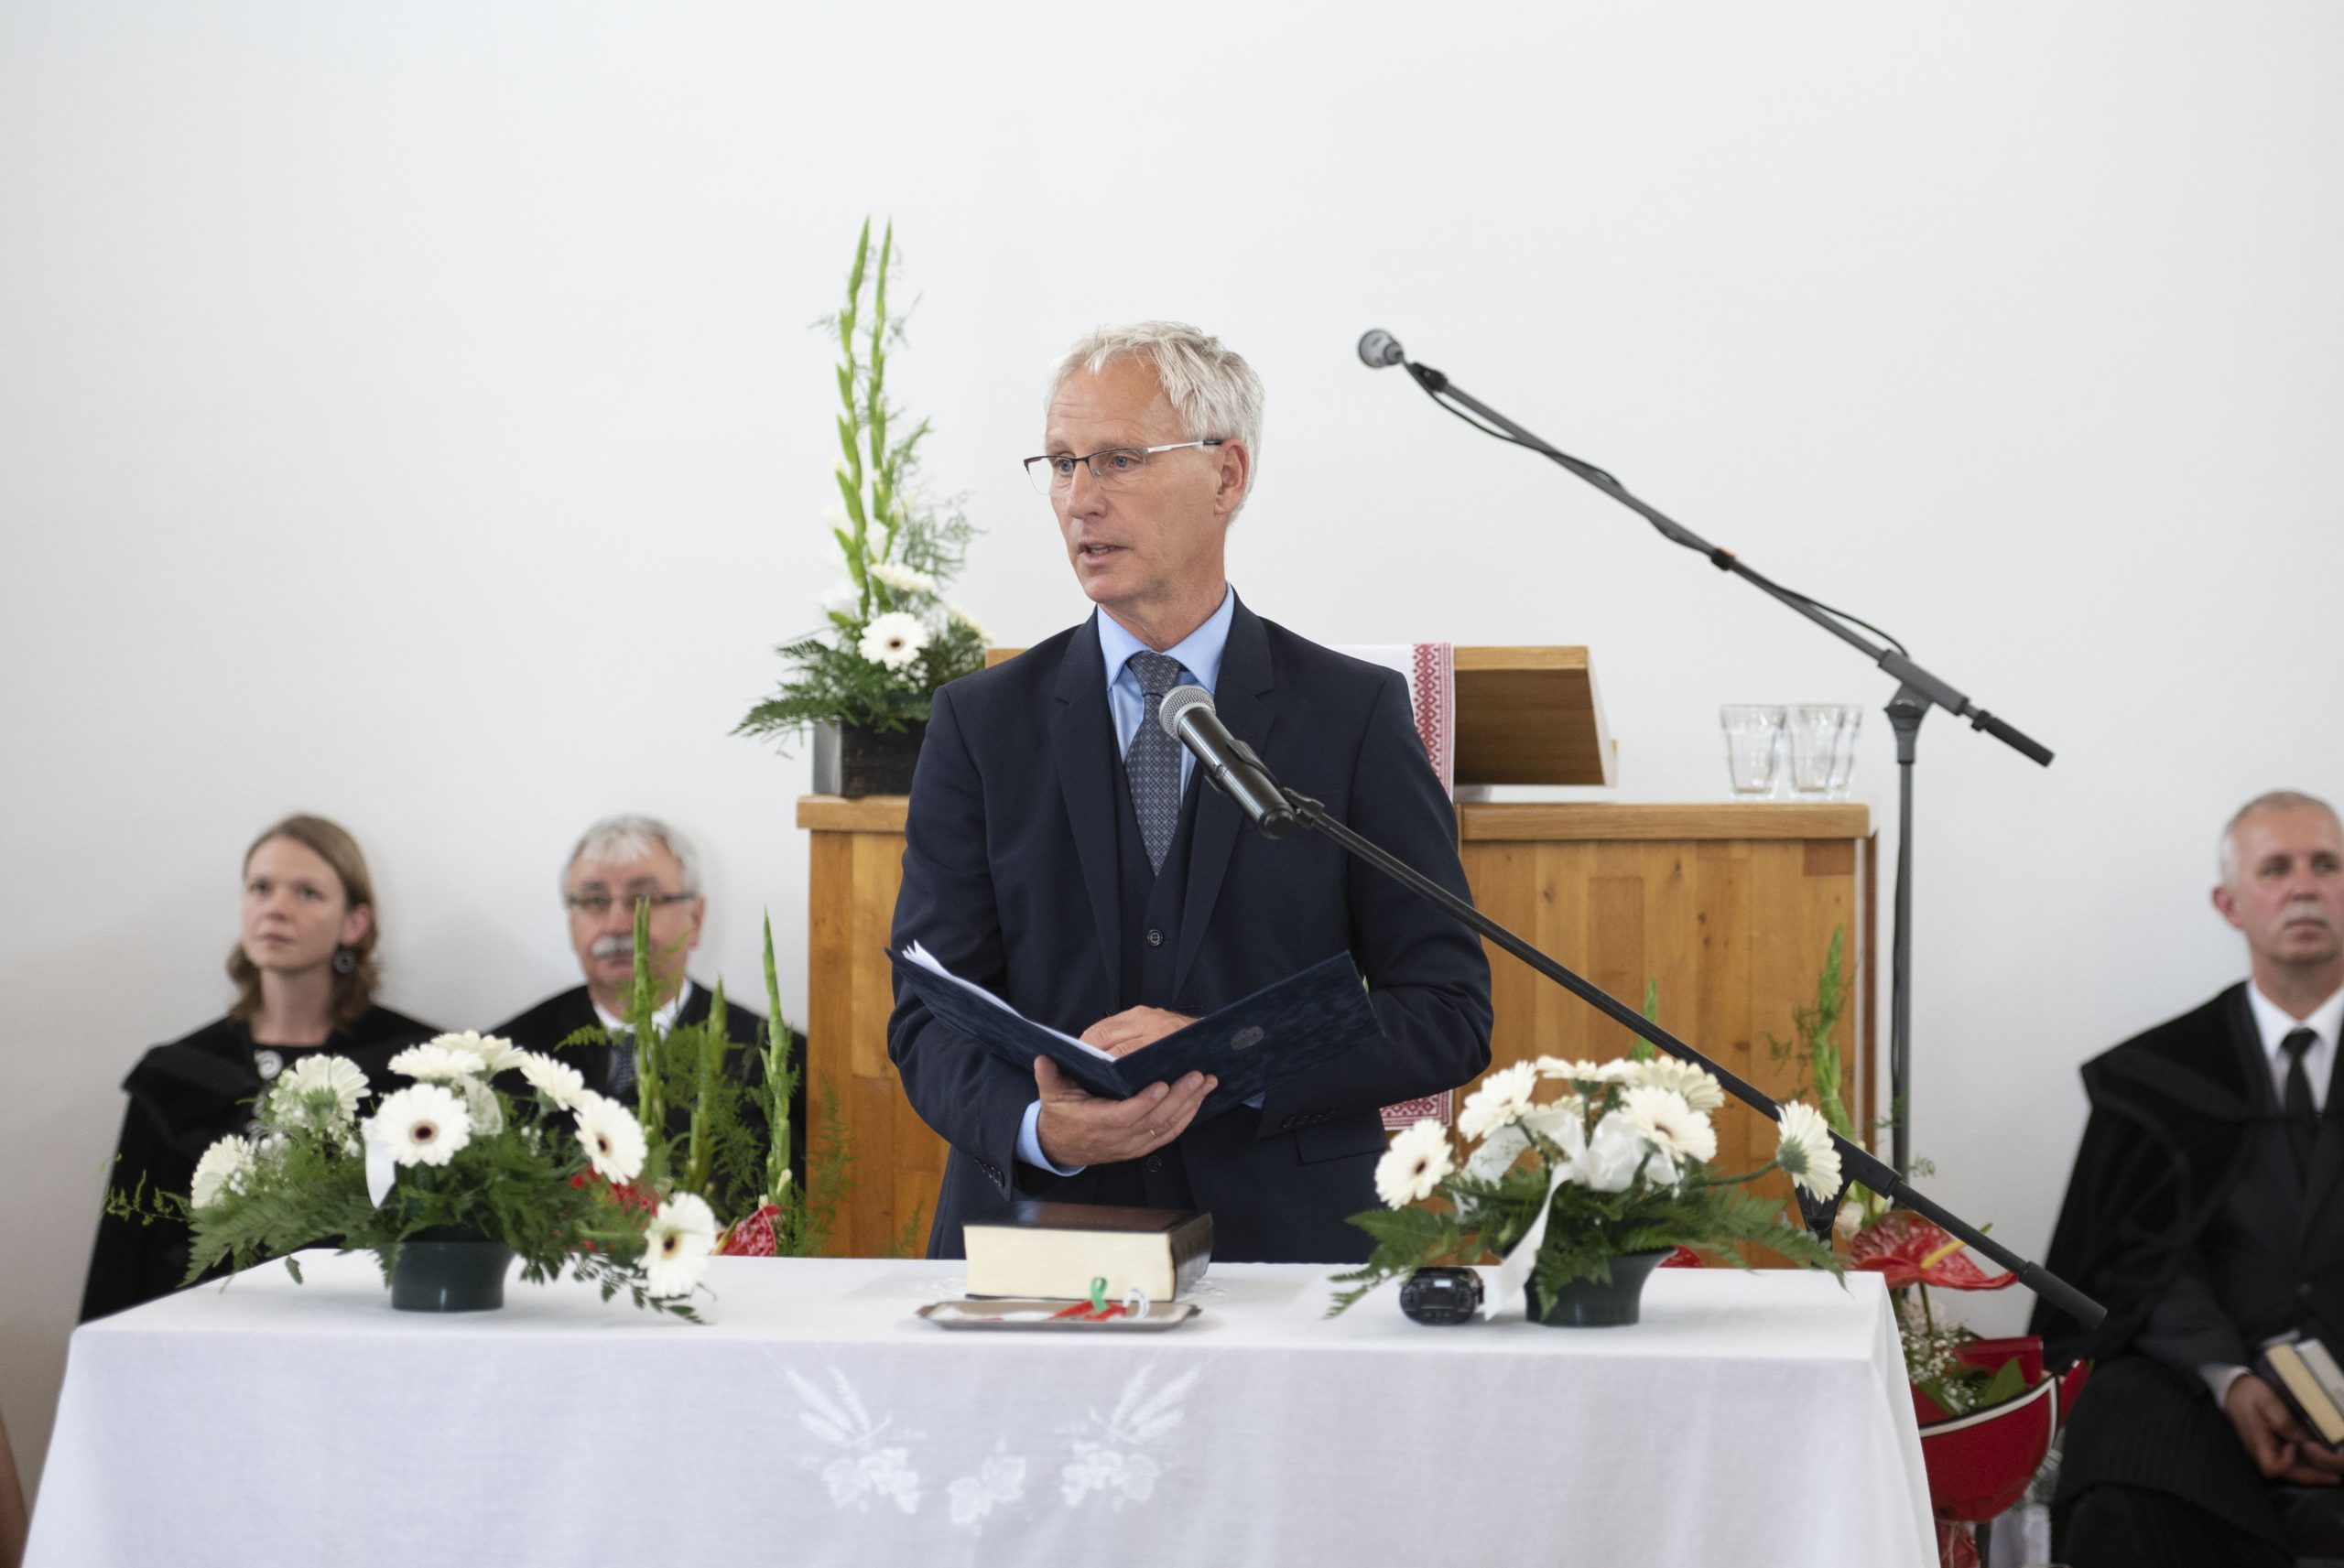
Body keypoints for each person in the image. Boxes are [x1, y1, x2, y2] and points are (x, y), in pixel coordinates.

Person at [886, 321, 1493, 1263]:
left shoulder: (1350, 715)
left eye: (1118, 460)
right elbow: (928, 1012)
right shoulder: (981, 723)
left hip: (1283, 1248)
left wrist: (1231, 1050)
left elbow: (1446, 1010)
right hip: (1035, 1247)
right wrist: (1036, 1126)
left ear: (1227, 475)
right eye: (1059, 464)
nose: (1078, 501)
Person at [2035, 790, 2344, 1567]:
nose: (2305, 885)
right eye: (2277, 867)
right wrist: (2230, 1377)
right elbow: (2137, 1260)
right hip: (2210, 1378)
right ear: (2229, 902)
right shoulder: (2160, 1078)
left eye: (2327, 864)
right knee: (2123, 1426)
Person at [80, 815, 435, 1322]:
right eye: (260, 888)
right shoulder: (176, 1077)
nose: (275, 908)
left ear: (354, 923)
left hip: (365, 1342)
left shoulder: (416, 1066)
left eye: (307, 893)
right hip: (202, 1345)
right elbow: (125, 1256)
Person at [492, 815, 794, 1153]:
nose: (618, 924)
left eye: (644, 899)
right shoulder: (507, 1058)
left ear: (695, 919)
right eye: (595, 901)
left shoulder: (774, 1063)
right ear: (571, 922)